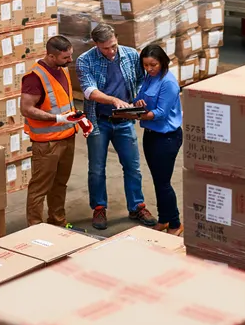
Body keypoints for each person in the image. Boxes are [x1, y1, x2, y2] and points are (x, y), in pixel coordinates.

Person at [75, 24, 157, 230]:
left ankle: (137, 206)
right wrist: (113, 100)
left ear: (116, 38)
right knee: (96, 168)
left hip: (125, 122)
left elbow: (141, 81)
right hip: (99, 121)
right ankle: (99, 207)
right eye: (105, 48)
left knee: (132, 167)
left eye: (113, 46)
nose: (111, 51)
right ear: (96, 45)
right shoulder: (85, 60)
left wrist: (138, 98)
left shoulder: (130, 55)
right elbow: (88, 90)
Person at [20, 36, 88, 226]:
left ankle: (58, 222)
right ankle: (34, 227)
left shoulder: (62, 70)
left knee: (59, 185)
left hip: (67, 137)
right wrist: (57, 119)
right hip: (47, 143)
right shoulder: (35, 77)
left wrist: (78, 120)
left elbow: (63, 103)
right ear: (51, 56)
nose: (70, 60)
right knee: (40, 187)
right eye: (66, 57)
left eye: (70, 55)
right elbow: (26, 109)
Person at [133, 44, 183, 235]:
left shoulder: (168, 82)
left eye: (153, 65)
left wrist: (138, 116)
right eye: (145, 65)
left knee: (164, 182)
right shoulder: (149, 78)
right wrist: (137, 103)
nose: (149, 69)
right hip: (151, 135)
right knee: (157, 180)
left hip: (167, 138)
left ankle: (176, 223)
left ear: (162, 62)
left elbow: (161, 113)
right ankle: (164, 219)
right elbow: (140, 96)